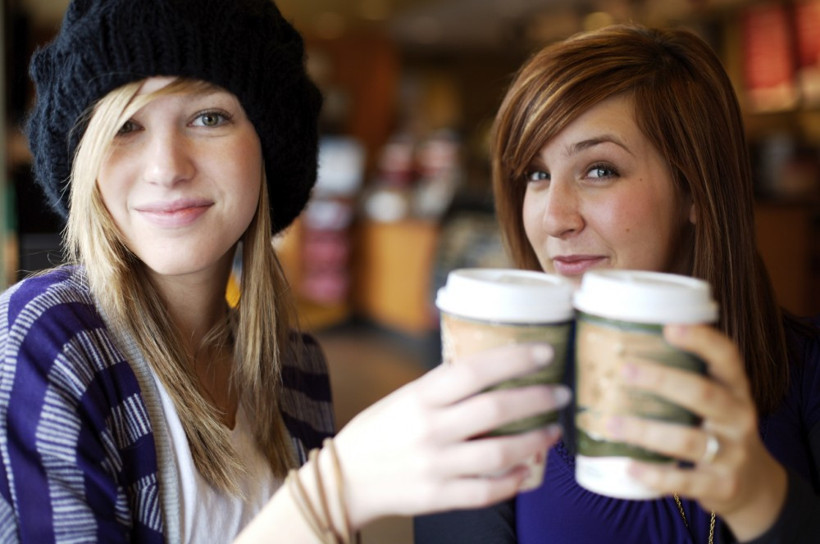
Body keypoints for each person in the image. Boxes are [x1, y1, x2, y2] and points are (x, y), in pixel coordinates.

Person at [0, 1, 572, 542]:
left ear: (268, 151)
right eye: (126, 126)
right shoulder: (47, 341)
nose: (166, 167)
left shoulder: (294, 367)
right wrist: (333, 492)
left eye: (208, 116)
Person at [414, 24, 820, 543]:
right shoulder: (493, 396)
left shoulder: (805, 371)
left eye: (599, 170)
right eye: (537, 174)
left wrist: (760, 498)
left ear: (696, 189)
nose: (554, 217)